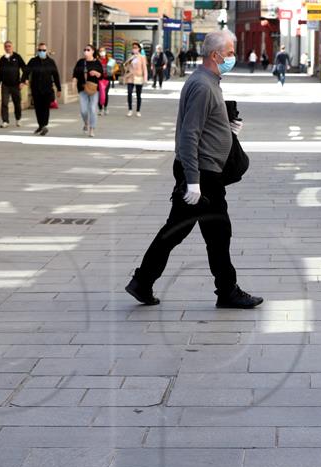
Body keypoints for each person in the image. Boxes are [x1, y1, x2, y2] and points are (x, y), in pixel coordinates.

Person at [126, 29, 263, 310]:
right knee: (205, 232)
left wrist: (227, 128)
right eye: (230, 52)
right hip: (202, 174)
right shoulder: (202, 85)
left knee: (199, 232)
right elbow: (189, 135)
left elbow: (203, 125)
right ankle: (225, 291)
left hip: (204, 172)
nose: (233, 57)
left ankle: (145, 282)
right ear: (216, 55)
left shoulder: (208, 81)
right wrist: (192, 182)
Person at [21, 43, 61, 136]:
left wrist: (59, 89)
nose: (42, 52)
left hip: (47, 89)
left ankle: (44, 126)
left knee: (45, 108)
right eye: (40, 50)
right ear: (37, 51)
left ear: (46, 51)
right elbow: (26, 71)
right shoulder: (33, 61)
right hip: (36, 89)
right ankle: (41, 125)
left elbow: (56, 75)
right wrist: (22, 81)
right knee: (38, 108)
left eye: (43, 50)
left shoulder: (51, 62)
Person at [72, 44, 103, 138]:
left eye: (88, 49)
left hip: (94, 89)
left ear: (93, 51)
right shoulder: (80, 62)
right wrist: (73, 84)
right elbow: (75, 74)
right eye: (85, 49)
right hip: (82, 88)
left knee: (93, 109)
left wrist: (96, 73)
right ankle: (86, 122)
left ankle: (92, 128)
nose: (86, 51)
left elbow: (101, 75)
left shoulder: (97, 62)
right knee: (83, 110)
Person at [0, 40, 26, 128]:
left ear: (12, 47)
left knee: (17, 103)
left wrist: (23, 81)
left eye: (9, 46)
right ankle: (5, 121)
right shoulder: (2, 59)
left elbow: (25, 69)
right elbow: (0, 72)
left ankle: (18, 119)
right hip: (5, 85)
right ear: (4, 48)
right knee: (4, 103)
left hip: (16, 85)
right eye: (6, 46)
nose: (8, 48)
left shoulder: (17, 57)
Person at [124, 42, 148, 117]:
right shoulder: (130, 56)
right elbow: (125, 66)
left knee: (138, 94)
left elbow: (144, 68)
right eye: (133, 47)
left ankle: (138, 110)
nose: (134, 49)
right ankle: (130, 109)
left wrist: (145, 78)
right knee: (129, 93)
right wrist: (128, 63)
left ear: (139, 49)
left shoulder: (142, 57)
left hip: (138, 77)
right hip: (130, 77)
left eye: (136, 47)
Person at [97, 47, 116, 116]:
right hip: (99, 79)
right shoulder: (97, 60)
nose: (102, 52)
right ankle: (100, 109)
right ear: (98, 52)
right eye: (100, 51)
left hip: (107, 79)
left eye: (103, 51)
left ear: (105, 51)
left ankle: (105, 108)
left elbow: (115, 67)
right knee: (100, 94)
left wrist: (112, 71)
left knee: (105, 93)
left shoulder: (109, 59)